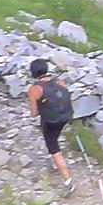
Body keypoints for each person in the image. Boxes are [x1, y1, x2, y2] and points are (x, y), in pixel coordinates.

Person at [26, 59, 75, 194]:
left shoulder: (34, 89)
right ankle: (57, 164)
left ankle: (68, 181)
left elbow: (34, 113)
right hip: (66, 116)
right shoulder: (59, 82)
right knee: (56, 136)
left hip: (51, 121)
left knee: (54, 149)